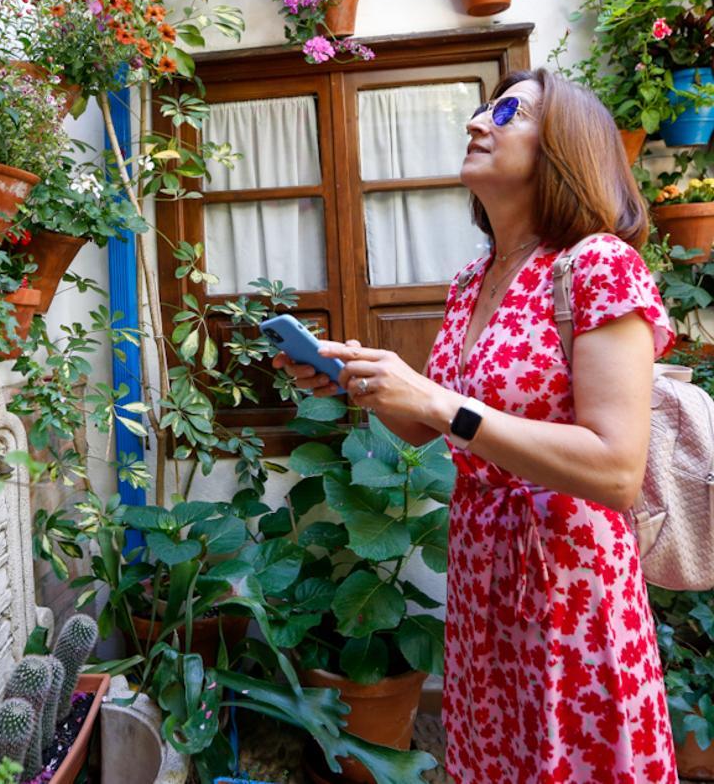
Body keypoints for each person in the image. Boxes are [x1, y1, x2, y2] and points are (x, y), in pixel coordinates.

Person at [273, 68, 679, 784]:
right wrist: (366, 386)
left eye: (509, 112)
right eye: (484, 108)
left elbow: (617, 469)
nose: (477, 121)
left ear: (564, 148)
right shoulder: (473, 281)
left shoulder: (598, 265)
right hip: (483, 573)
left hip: (571, 583)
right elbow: (431, 432)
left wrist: (435, 402)